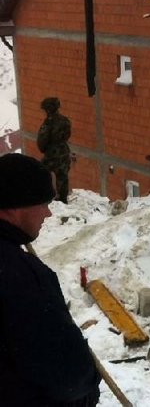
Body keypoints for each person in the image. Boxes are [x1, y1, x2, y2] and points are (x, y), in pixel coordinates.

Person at [0, 154, 100, 406]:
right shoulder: (19, 276)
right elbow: (68, 375)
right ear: (12, 207)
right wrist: (88, 389)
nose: (47, 213)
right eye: (42, 203)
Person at [36, 97, 72, 203]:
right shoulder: (65, 120)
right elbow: (67, 135)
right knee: (62, 176)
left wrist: (44, 148)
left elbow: (42, 140)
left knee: (40, 173)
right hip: (64, 151)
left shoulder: (48, 123)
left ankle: (43, 197)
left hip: (52, 153)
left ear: (47, 109)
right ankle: (62, 198)